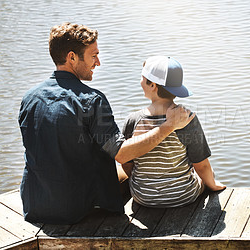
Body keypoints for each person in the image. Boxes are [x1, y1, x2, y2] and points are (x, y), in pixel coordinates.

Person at [18, 23, 193, 224]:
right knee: (132, 172)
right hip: (80, 208)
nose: (98, 63)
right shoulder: (91, 100)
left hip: (35, 204)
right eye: (93, 56)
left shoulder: (29, 98)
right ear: (72, 57)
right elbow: (122, 154)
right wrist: (168, 126)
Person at [121, 56, 226, 208]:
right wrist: (213, 185)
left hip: (143, 197)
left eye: (142, 78)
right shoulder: (187, 119)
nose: (140, 82)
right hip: (183, 195)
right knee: (208, 174)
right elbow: (201, 165)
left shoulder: (133, 120)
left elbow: (127, 164)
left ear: (153, 85)